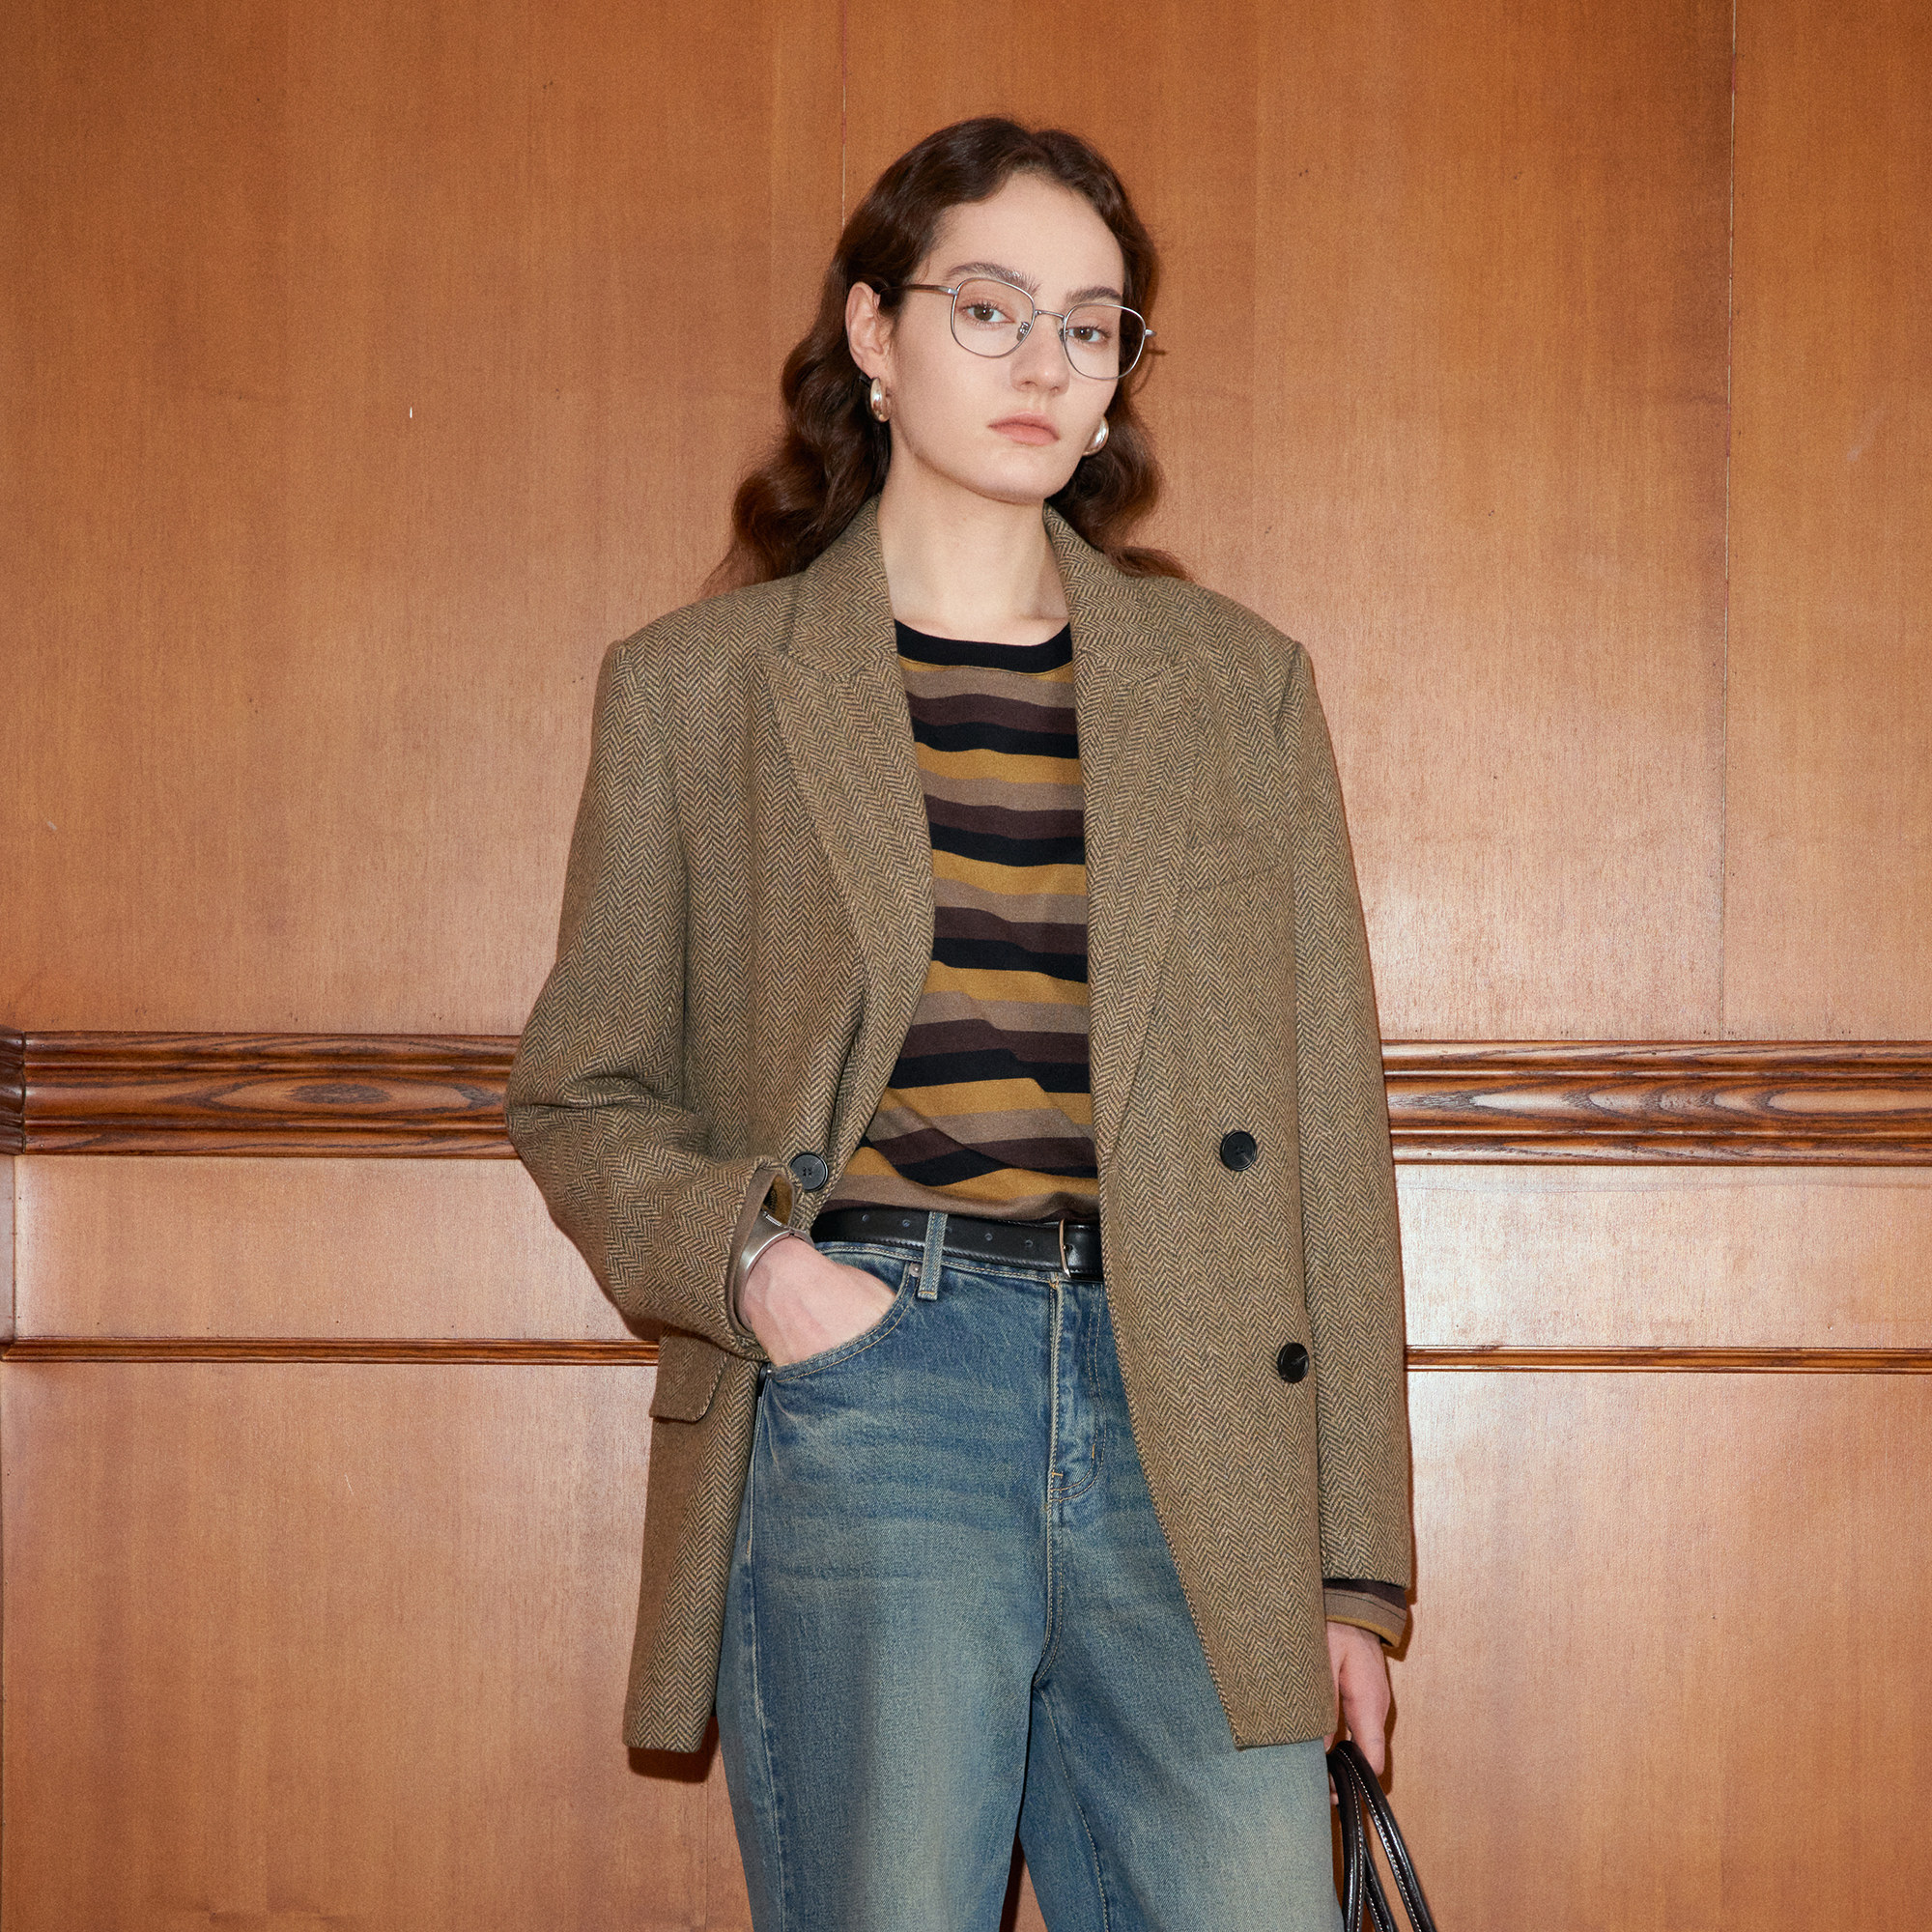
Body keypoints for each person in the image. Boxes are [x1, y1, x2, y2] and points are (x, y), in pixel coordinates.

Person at [508, 116, 1412, 1932]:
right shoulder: (701, 693)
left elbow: (1329, 1128)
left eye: (1091, 326)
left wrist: (1352, 1575)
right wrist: (767, 1277)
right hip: (881, 1389)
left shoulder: (1237, 691)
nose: (1043, 365)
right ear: (873, 330)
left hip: (1194, 1411)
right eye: (988, 309)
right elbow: (580, 1089)